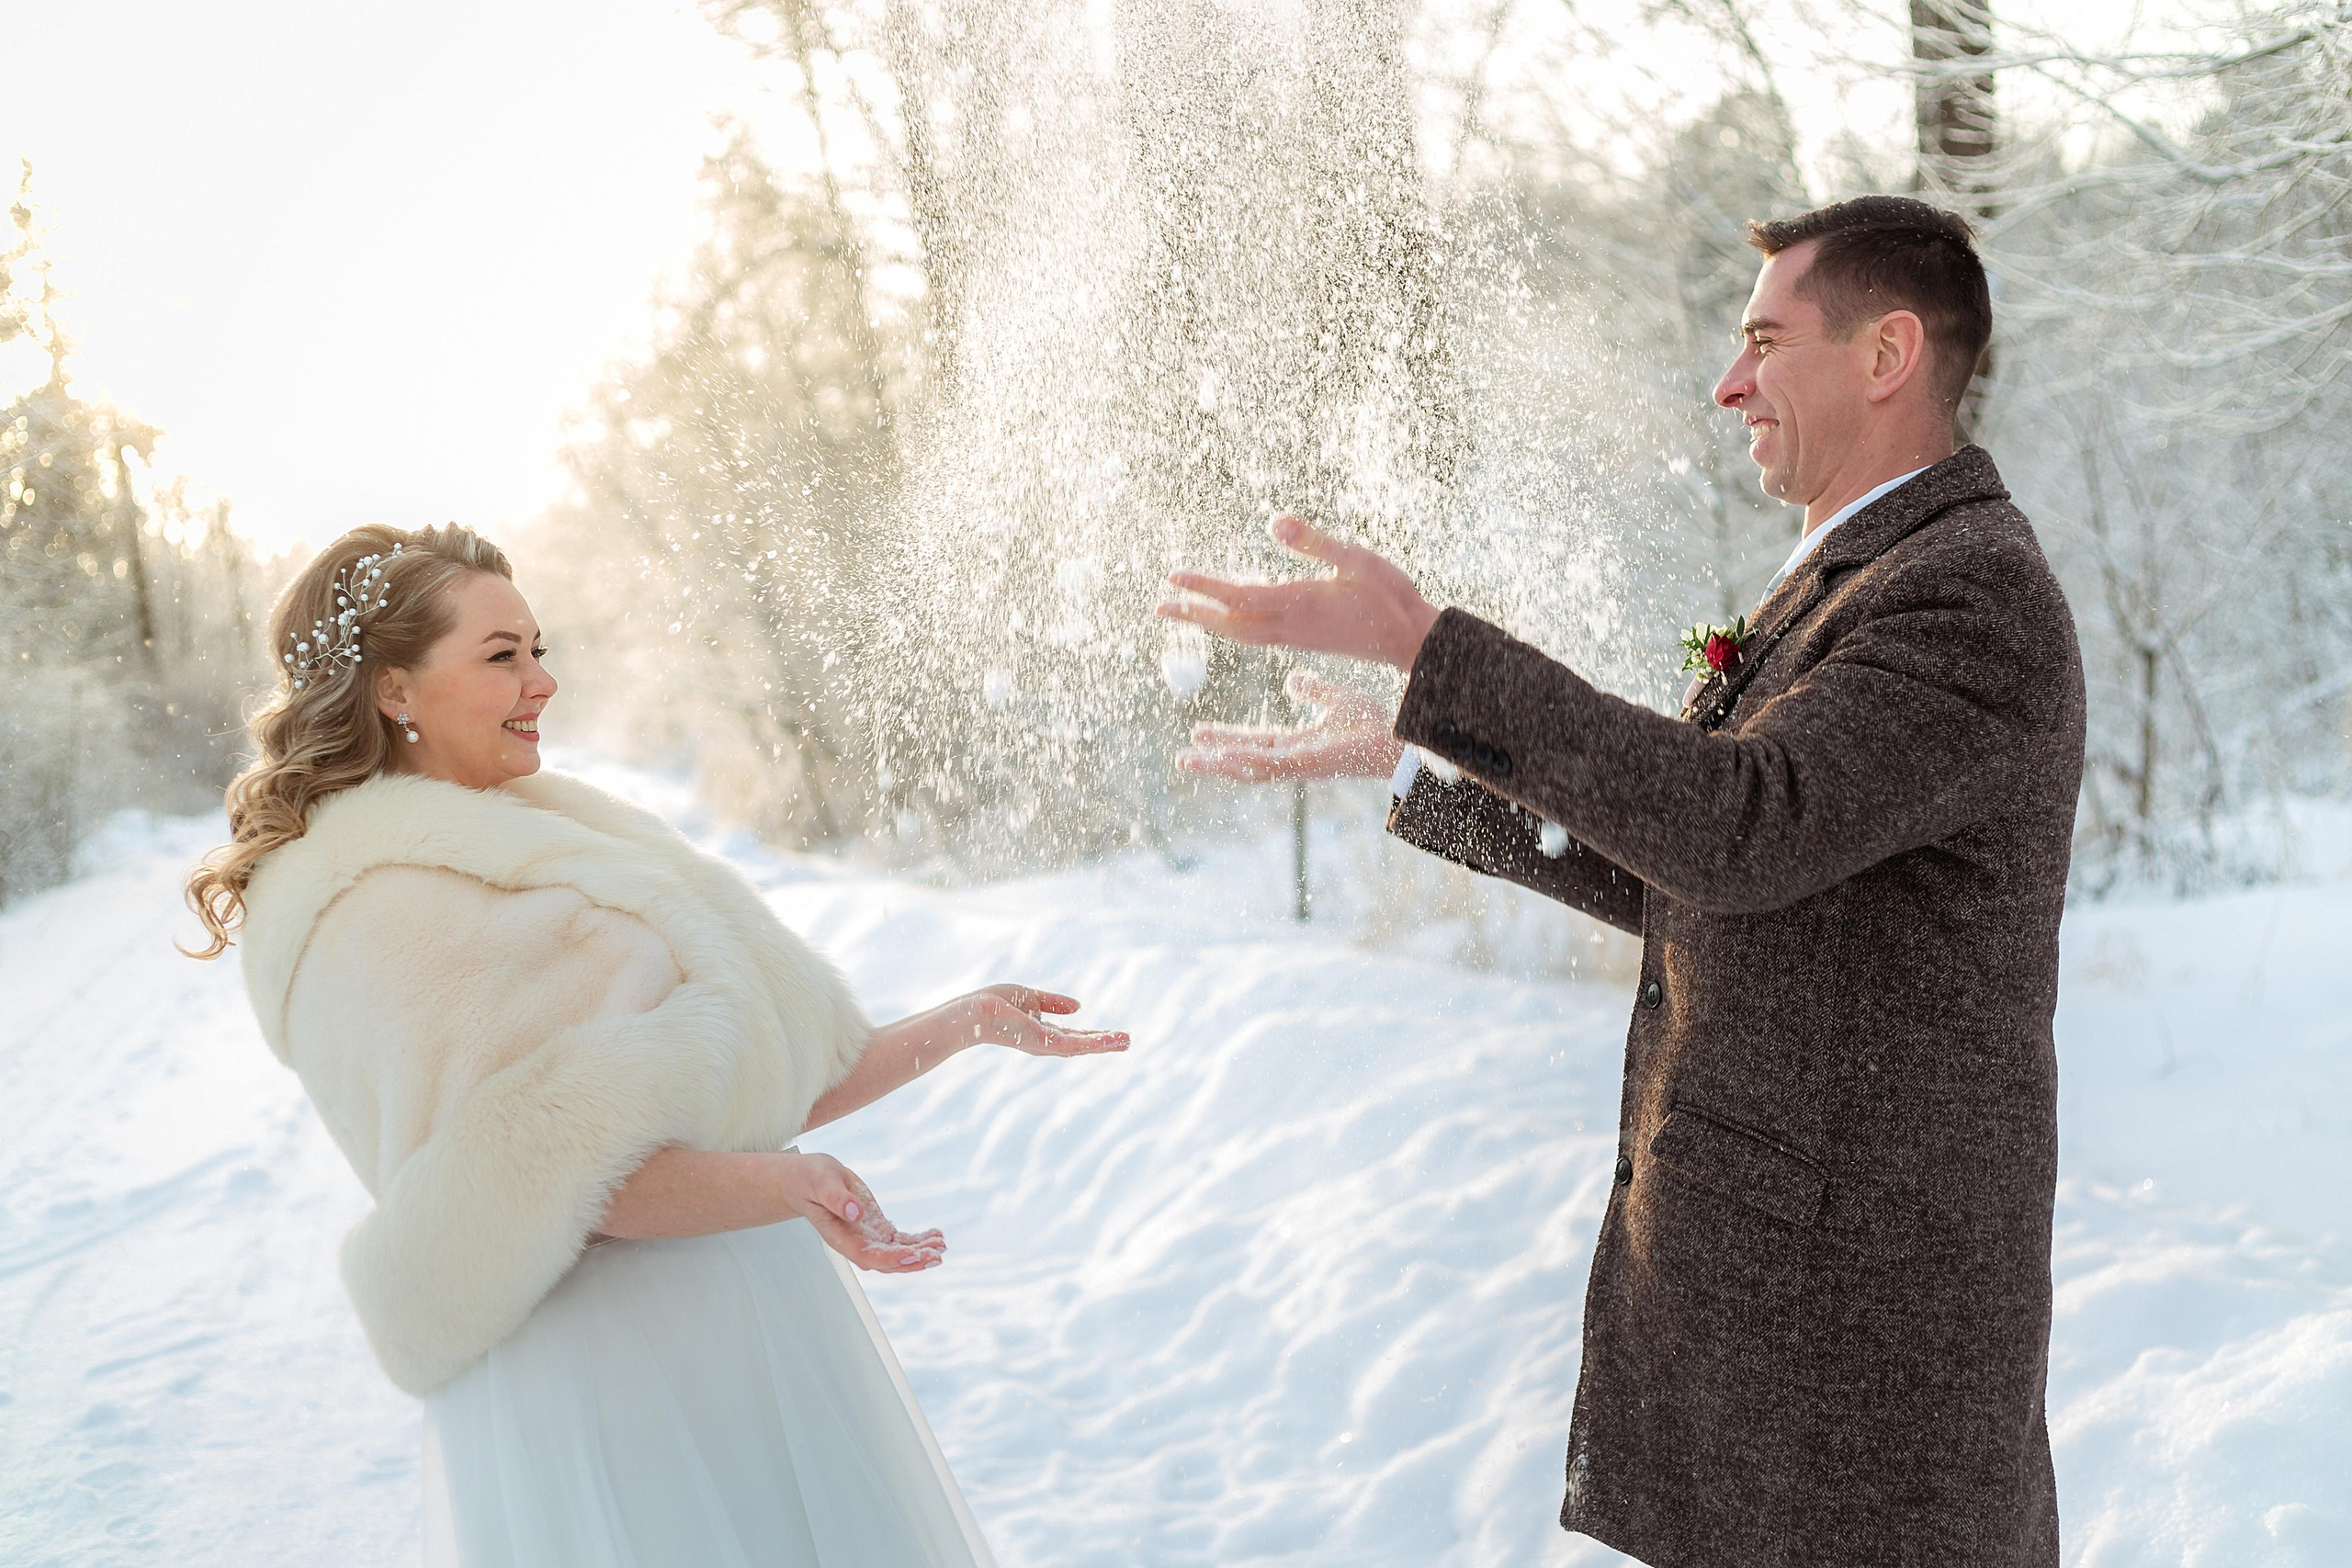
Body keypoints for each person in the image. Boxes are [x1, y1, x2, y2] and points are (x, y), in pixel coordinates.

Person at [1161, 196, 2085, 1566]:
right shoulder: (1859, 578)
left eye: (1764, 341)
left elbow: (1739, 824)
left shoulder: (1966, 598)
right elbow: (1703, 874)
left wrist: (1431, 648)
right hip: (1772, 1331)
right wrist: (1417, 759)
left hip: (1859, 1358)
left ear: (1887, 355)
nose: (1728, 383)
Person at [184, 522, 1128, 1567]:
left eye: (539, 648)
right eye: (501, 656)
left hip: (746, 1331)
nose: (542, 681)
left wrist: (963, 1022)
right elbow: (541, 1184)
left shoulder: (568, 834)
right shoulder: (377, 903)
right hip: (616, 1383)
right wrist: (786, 1183)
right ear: (393, 688)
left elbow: (746, 1082)